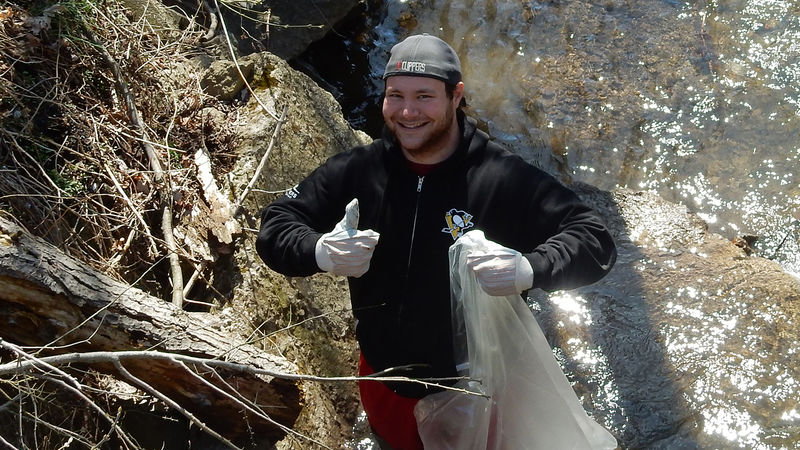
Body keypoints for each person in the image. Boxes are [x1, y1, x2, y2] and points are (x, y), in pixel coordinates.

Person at [256, 34, 617, 450]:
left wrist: (529, 269)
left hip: (475, 385)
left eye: (424, 96)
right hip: (382, 377)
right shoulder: (359, 170)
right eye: (396, 96)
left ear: (456, 96)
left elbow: (594, 237)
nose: (408, 112)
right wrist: (320, 250)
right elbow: (277, 224)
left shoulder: (501, 177)